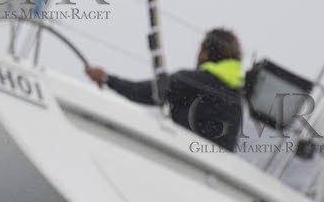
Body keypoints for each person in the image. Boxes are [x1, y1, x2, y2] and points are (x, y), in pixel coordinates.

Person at [84, 28, 245, 151]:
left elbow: (142, 92)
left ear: (206, 53)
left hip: (183, 160)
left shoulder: (191, 81)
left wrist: (107, 79)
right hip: (216, 176)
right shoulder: (237, 100)